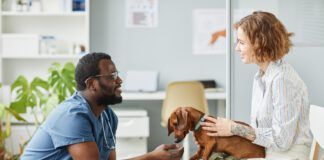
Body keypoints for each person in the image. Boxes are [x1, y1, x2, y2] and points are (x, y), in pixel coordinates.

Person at [21, 52, 183, 160]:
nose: (119, 81)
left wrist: (154, 156)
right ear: (92, 84)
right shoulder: (72, 116)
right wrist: (152, 157)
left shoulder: (108, 116)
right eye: (112, 76)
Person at [201, 11, 312, 159]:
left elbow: (282, 140)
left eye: (242, 42)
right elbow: (263, 131)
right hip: (269, 152)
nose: (237, 48)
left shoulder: (282, 79)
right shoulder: (261, 77)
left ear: (259, 43)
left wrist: (234, 128)